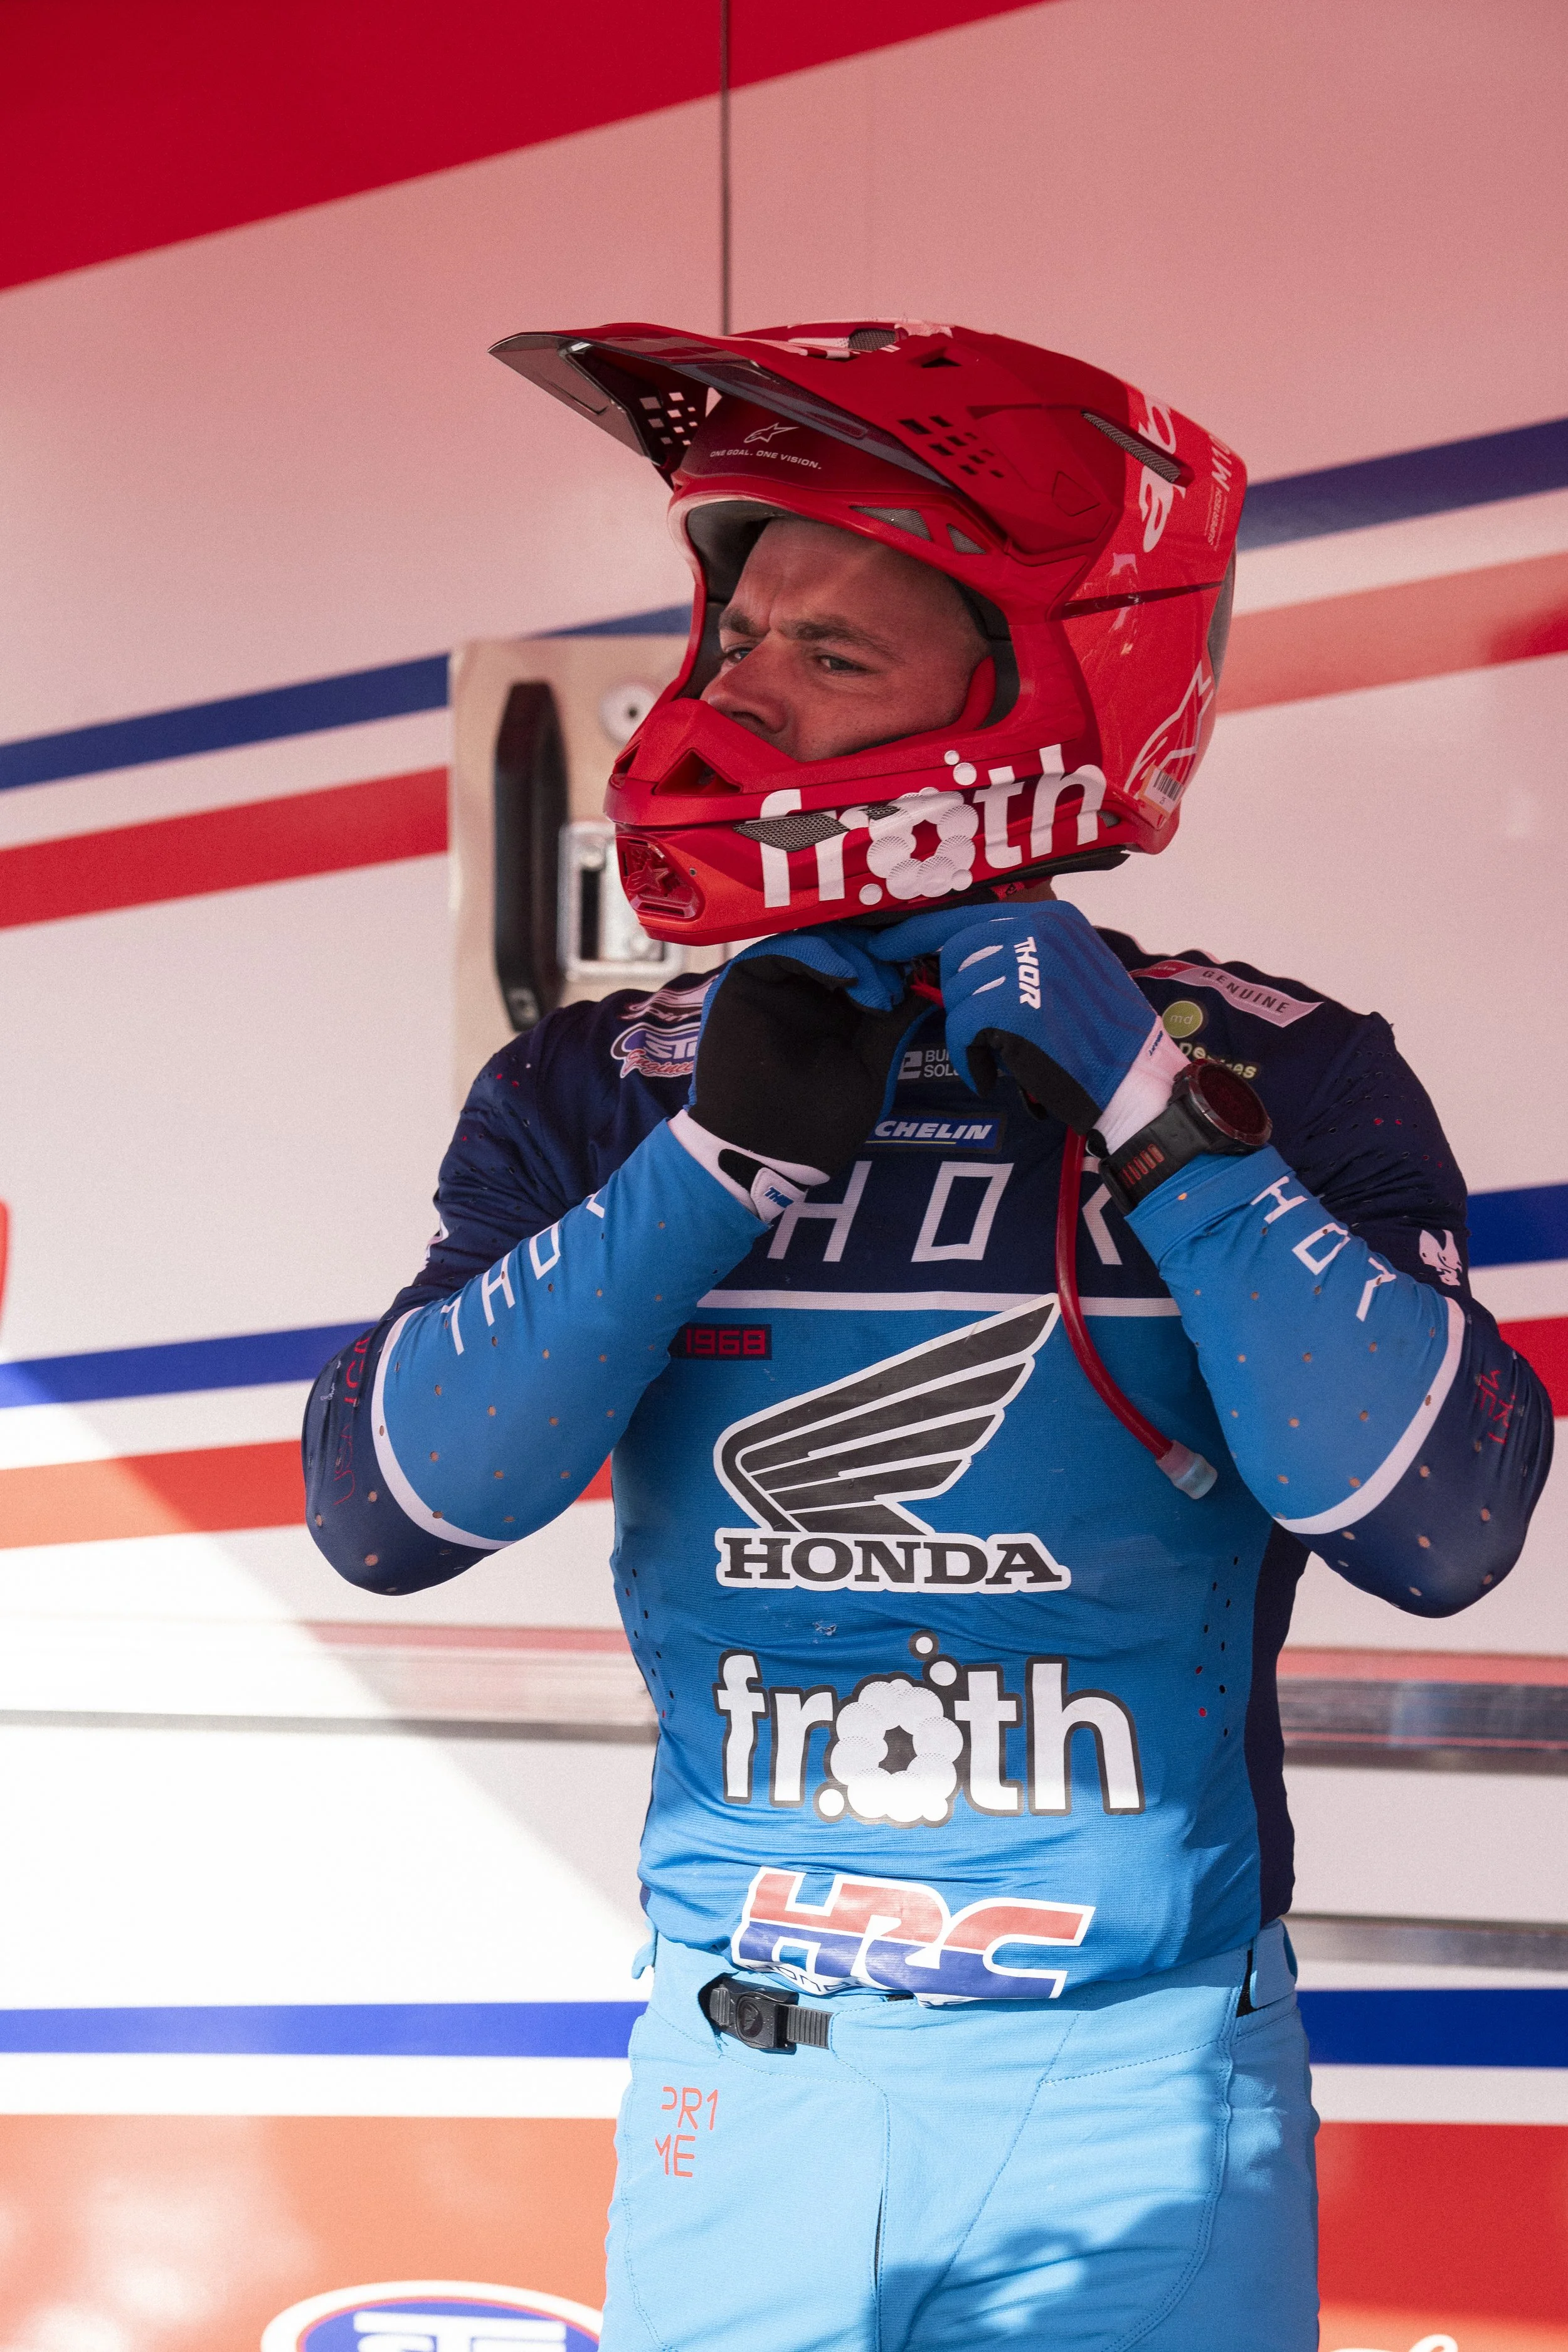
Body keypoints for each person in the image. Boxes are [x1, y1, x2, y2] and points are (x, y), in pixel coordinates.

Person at [304, 321, 1552, 2349]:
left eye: (829, 651)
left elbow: (1437, 1528)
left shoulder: (1288, 1071)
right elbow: (389, 1510)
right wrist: (707, 1165)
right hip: (750, 2083)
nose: (734, 696)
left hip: (1143, 2090)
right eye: (735, 635)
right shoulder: (595, 1090)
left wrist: (1155, 1118)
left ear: (1030, 700)